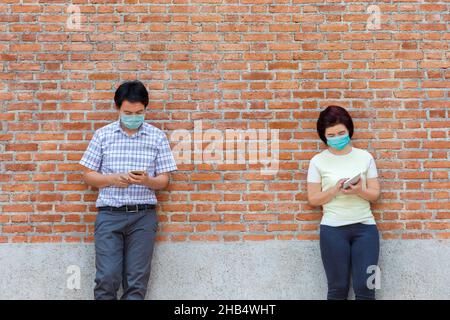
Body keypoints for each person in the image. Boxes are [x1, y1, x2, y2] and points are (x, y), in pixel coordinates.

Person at [79, 80, 177, 300]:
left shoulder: (156, 136)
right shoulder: (103, 135)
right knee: (107, 277)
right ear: (118, 108)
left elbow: (164, 180)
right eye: (128, 112)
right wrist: (113, 179)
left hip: (143, 217)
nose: (134, 116)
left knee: (136, 282)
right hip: (109, 215)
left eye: (139, 112)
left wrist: (147, 181)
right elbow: (87, 175)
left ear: (145, 109)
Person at [307, 105, 381, 300]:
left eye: (341, 132)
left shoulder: (365, 157)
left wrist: (359, 190)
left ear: (349, 130)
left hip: (366, 230)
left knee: (366, 289)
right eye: (331, 135)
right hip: (332, 231)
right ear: (324, 136)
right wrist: (333, 190)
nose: (337, 137)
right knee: (337, 289)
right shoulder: (317, 161)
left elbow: (375, 195)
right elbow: (313, 199)